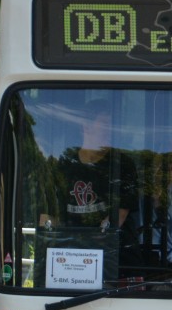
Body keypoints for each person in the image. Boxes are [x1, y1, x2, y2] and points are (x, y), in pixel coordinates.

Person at [38, 99, 138, 233]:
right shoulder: (64, 164)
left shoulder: (122, 164)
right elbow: (49, 213)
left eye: (113, 125)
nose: (111, 130)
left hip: (113, 244)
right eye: (105, 124)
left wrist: (97, 239)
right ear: (86, 126)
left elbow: (120, 213)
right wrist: (48, 239)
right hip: (69, 244)